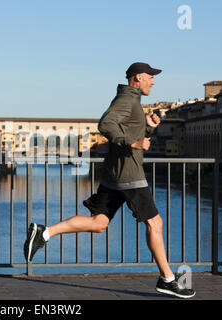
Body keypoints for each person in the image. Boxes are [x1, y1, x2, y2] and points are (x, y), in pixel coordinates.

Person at [23, 62, 196, 299]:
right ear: (137, 78)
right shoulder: (127, 100)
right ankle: (167, 279)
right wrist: (132, 143)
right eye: (150, 77)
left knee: (98, 223)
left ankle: (43, 233)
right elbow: (105, 124)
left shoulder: (133, 102)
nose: (153, 82)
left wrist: (147, 128)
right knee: (155, 223)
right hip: (129, 176)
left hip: (115, 175)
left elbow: (129, 134)